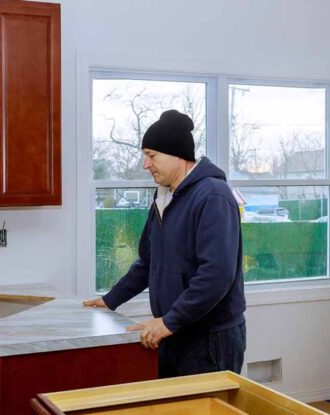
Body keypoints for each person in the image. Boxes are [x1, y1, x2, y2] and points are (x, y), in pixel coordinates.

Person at [84, 109, 246, 378]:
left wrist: (169, 322)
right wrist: (110, 300)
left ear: (177, 154)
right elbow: (148, 263)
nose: (146, 164)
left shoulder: (213, 196)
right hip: (174, 330)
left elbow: (216, 275)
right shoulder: (163, 198)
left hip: (208, 338)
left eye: (151, 155)